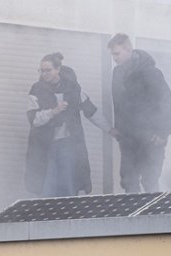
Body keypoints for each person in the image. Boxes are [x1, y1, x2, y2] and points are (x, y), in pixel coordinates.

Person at [25, 52, 112, 197]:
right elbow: (34, 120)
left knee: (69, 186)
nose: (44, 74)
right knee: (47, 187)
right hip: (45, 146)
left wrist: (110, 129)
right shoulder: (37, 90)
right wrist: (54, 111)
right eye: (42, 70)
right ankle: (48, 218)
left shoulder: (73, 88)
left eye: (48, 70)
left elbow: (91, 111)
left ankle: (70, 217)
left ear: (58, 69)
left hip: (68, 145)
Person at [107, 33, 171, 193]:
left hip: (151, 138)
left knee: (150, 181)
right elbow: (118, 104)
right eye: (112, 54)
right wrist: (119, 129)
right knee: (128, 181)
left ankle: (151, 217)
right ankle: (132, 217)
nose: (114, 58)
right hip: (128, 139)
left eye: (117, 54)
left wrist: (162, 132)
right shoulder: (117, 74)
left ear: (128, 50)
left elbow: (167, 102)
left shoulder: (151, 73)